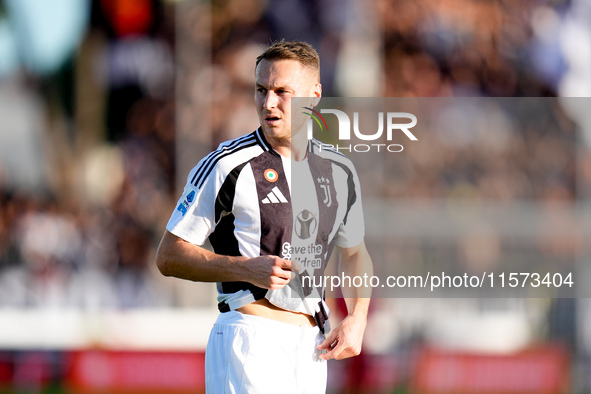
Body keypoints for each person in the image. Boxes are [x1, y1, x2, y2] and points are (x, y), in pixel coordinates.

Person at [156, 39, 372, 393]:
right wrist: (244, 268)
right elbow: (168, 256)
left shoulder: (340, 170)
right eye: (261, 90)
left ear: (314, 95)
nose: (268, 103)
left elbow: (355, 255)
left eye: (282, 91)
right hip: (250, 340)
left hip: (312, 349)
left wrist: (358, 317)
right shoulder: (228, 164)